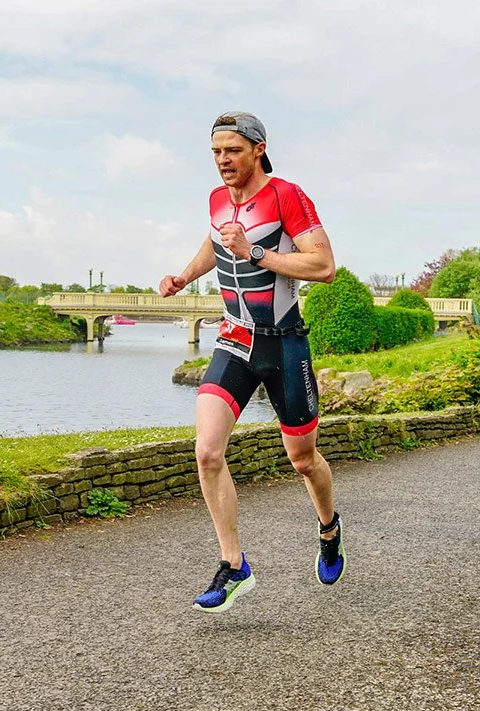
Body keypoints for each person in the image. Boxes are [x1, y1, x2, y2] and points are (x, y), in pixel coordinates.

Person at [159, 112, 341, 613]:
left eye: (233, 151)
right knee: (207, 452)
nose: (223, 161)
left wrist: (256, 251)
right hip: (233, 340)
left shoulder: (287, 195)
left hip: (284, 344)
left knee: (303, 460)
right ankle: (234, 564)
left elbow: (323, 266)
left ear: (258, 149)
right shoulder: (218, 200)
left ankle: (328, 528)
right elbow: (216, 242)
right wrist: (184, 275)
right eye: (216, 152)